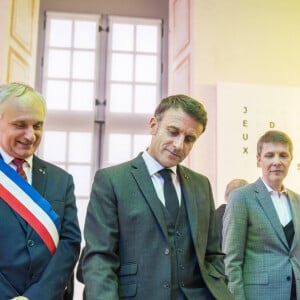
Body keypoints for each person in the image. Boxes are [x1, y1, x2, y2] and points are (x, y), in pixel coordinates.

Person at [81, 94, 234, 300]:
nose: (179, 145)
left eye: (189, 139)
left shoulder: (201, 185)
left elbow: (213, 253)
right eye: (173, 132)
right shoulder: (112, 180)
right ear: (153, 125)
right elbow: (99, 258)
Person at [0, 82, 81, 300]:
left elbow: (70, 243)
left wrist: (35, 297)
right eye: (20, 125)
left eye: (37, 126)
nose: (30, 135)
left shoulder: (61, 180)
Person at [223, 130, 300, 300]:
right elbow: (232, 260)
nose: (277, 162)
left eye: (283, 155)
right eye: (269, 155)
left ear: (290, 160)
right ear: (259, 160)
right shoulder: (242, 198)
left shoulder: (297, 201)